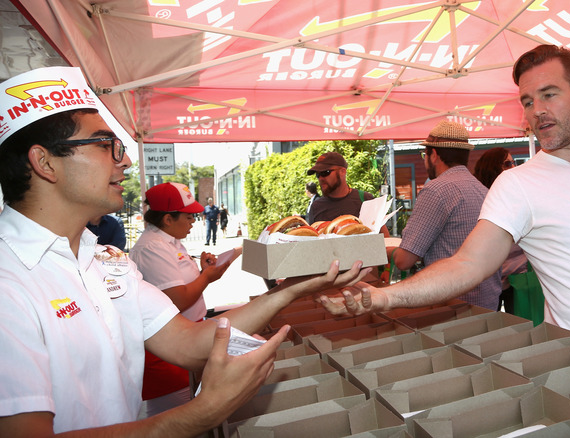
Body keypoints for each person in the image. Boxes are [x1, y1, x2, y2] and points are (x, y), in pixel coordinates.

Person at [0, 66, 369, 435]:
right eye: (104, 145)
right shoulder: (8, 281)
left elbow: (187, 342)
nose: (124, 160)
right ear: (44, 162)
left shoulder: (103, 260)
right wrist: (200, 413)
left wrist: (294, 288)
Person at [320, 45, 570, 376]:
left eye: (549, 94)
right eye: (528, 101)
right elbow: (467, 265)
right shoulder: (518, 185)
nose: (536, 111)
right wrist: (383, 298)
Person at [130, 182, 231, 416]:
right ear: (168, 219)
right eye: (188, 217)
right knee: (178, 418)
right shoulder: (152, 248)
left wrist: (201, 270)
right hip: (169, 349)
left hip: (186, 337)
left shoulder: (170, 241)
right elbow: (178, 299)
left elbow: (182, 285)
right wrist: (206, 277)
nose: (193, 222)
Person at [386, 120, 502, 309]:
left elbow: (404, 260)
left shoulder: (437, 190)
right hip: (487, 303)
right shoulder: (483, 190)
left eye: (425, 154)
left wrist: (386, 250)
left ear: (434, 156)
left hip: (452, 307)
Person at [473, 147, 528, 313]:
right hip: (490, 279)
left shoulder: (518, 195)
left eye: (514, 163)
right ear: (492, 167)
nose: (513, 167)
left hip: (517, 278)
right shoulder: (482, 199)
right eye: (507, 163)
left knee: (520, 327)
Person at [307, 151, 389, 236]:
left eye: (325, 172)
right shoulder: (316, 206)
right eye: (318, 174)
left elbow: (385, 237)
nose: (320, 178)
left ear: (342, 171)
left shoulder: (365, 199)